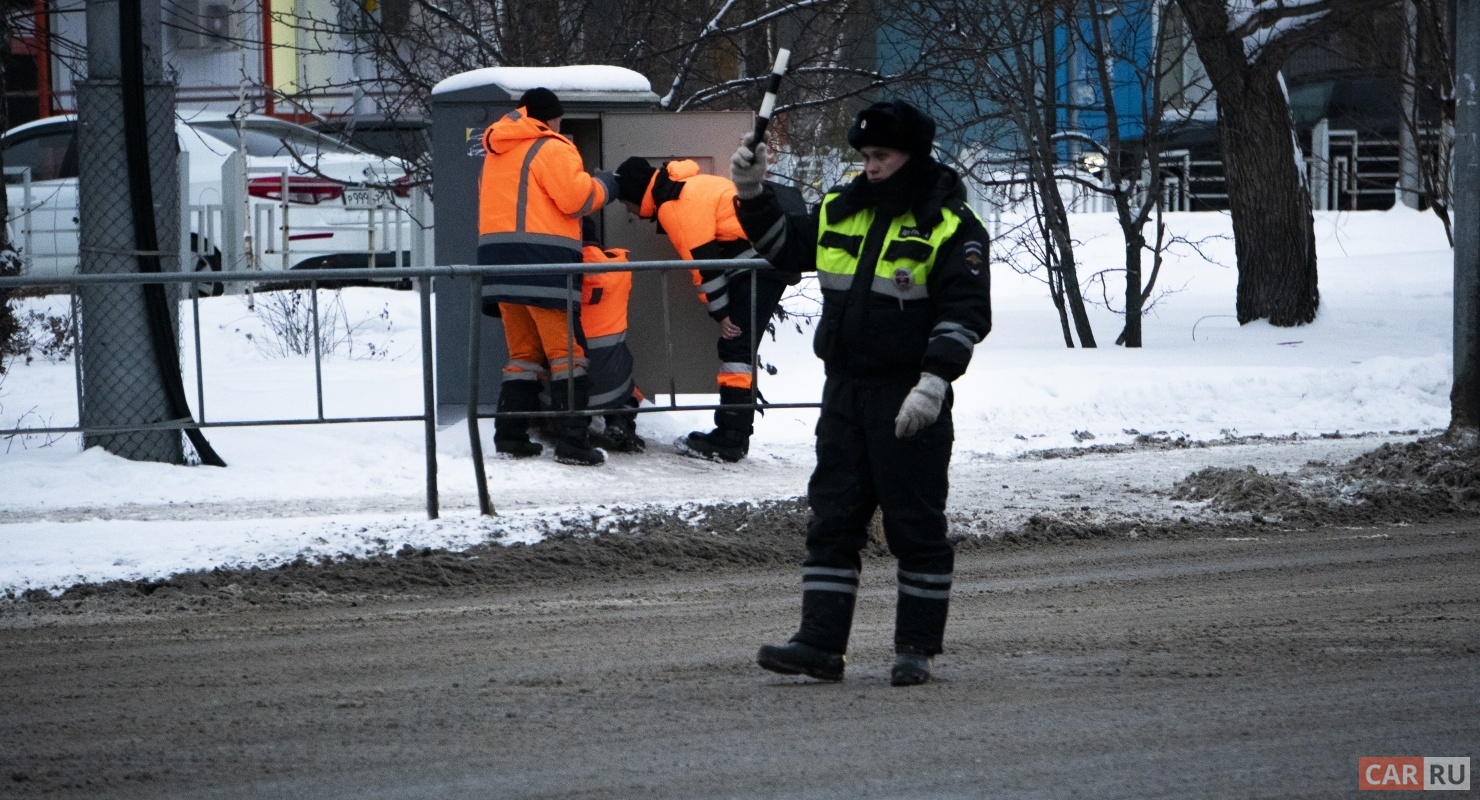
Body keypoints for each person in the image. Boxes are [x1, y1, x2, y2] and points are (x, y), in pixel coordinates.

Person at [730, 100, 992, 686]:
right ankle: (820, 645)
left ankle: (915, 650)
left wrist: (934, 383)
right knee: (833, 519)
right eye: (866, 157)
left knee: (914, 524)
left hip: (909, 393)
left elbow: (965, 312)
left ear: (913, 156)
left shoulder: (951, 226)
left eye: (883, 156)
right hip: (845, 393)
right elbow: (784, 247)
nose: (871, 167)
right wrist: (751, 192)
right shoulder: (840, 211)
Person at [613, 156, 798, 462]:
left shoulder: (674, 204)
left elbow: (703, 265)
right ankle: (734, 434)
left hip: (756, 267)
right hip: (761, 262)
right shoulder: (688, 185)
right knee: (737, 349)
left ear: (635, 194)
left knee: (735, 348)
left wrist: (721, 313)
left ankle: (730, 438)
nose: (627, 210)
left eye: (625, 203)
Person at [478, 87, 618, 466]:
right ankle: (573, 443)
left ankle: (510, 437)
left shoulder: (497, 151)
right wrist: (606, 183)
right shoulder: (553, 147)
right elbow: (576, 199)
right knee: (567, 355)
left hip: (498, 266)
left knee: (523, 356)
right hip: (544, 264)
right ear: (552, 118)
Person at [578, 219, 645, 453]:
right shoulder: (620, 270)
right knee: (629, 387)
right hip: (612, 383)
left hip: (569, 378)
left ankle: (573, 425)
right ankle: (620, 421)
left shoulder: (557, 274)